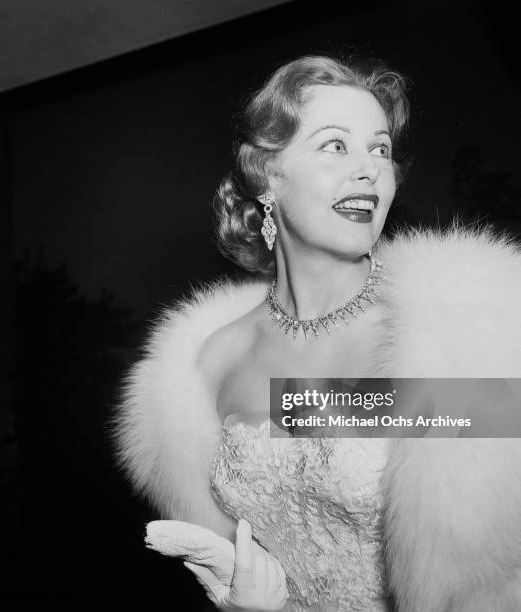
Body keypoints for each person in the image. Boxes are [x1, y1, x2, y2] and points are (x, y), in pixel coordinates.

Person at [113, 56, 521, 611]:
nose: (370, 168)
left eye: (380, 149)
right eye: (335, 145)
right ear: (266, 179)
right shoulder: (207, 365)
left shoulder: (457, 330)